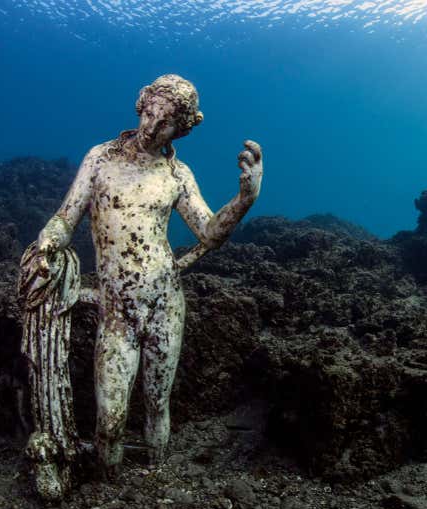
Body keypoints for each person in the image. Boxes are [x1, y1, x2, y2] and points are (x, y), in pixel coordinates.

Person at [35, 74, 263, 478]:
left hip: (166, 303)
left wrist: (245, 199)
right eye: (151, 114)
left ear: (183, 128)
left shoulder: (177, 175)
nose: (152, 127)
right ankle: (108, 484)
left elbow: (209, 233)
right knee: (111, 415)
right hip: (117, 310)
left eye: (166, 123)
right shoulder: (101, 159)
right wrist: (47, 244)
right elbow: (65, 218)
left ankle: (155, 480)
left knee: (158, 404)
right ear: (142, 106)